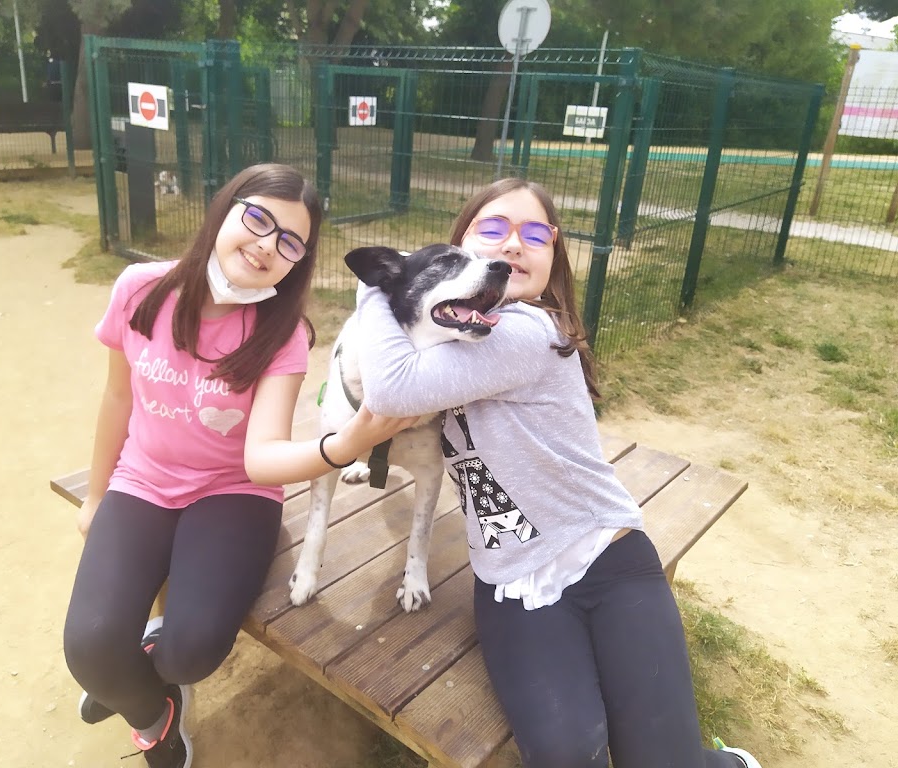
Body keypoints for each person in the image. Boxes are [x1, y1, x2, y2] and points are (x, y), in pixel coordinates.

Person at [353, 178, 762, 768]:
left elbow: (390, 390)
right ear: (461, 249)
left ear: (553, 257)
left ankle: (728, 763)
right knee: (568, 754)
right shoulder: (456, 333)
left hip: (605, 557)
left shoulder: (525, 330)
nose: (513, 244)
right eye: (494, 228)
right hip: (510, 578)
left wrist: (377, 288)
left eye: (535, 234)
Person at [63, 163, 415, 768]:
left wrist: (347, 443)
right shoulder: (142, 289)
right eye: (258, 219)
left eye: (290, 242)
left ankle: (146, 668)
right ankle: (154, 717)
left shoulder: (283, 334)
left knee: (190, 653)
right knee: (91, 651)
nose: (267, 245)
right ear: (224, 208)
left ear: (297, 263)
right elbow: (118, 398)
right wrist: (96, 497)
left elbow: (262, 458)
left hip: (234, 494)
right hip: (143, 482)